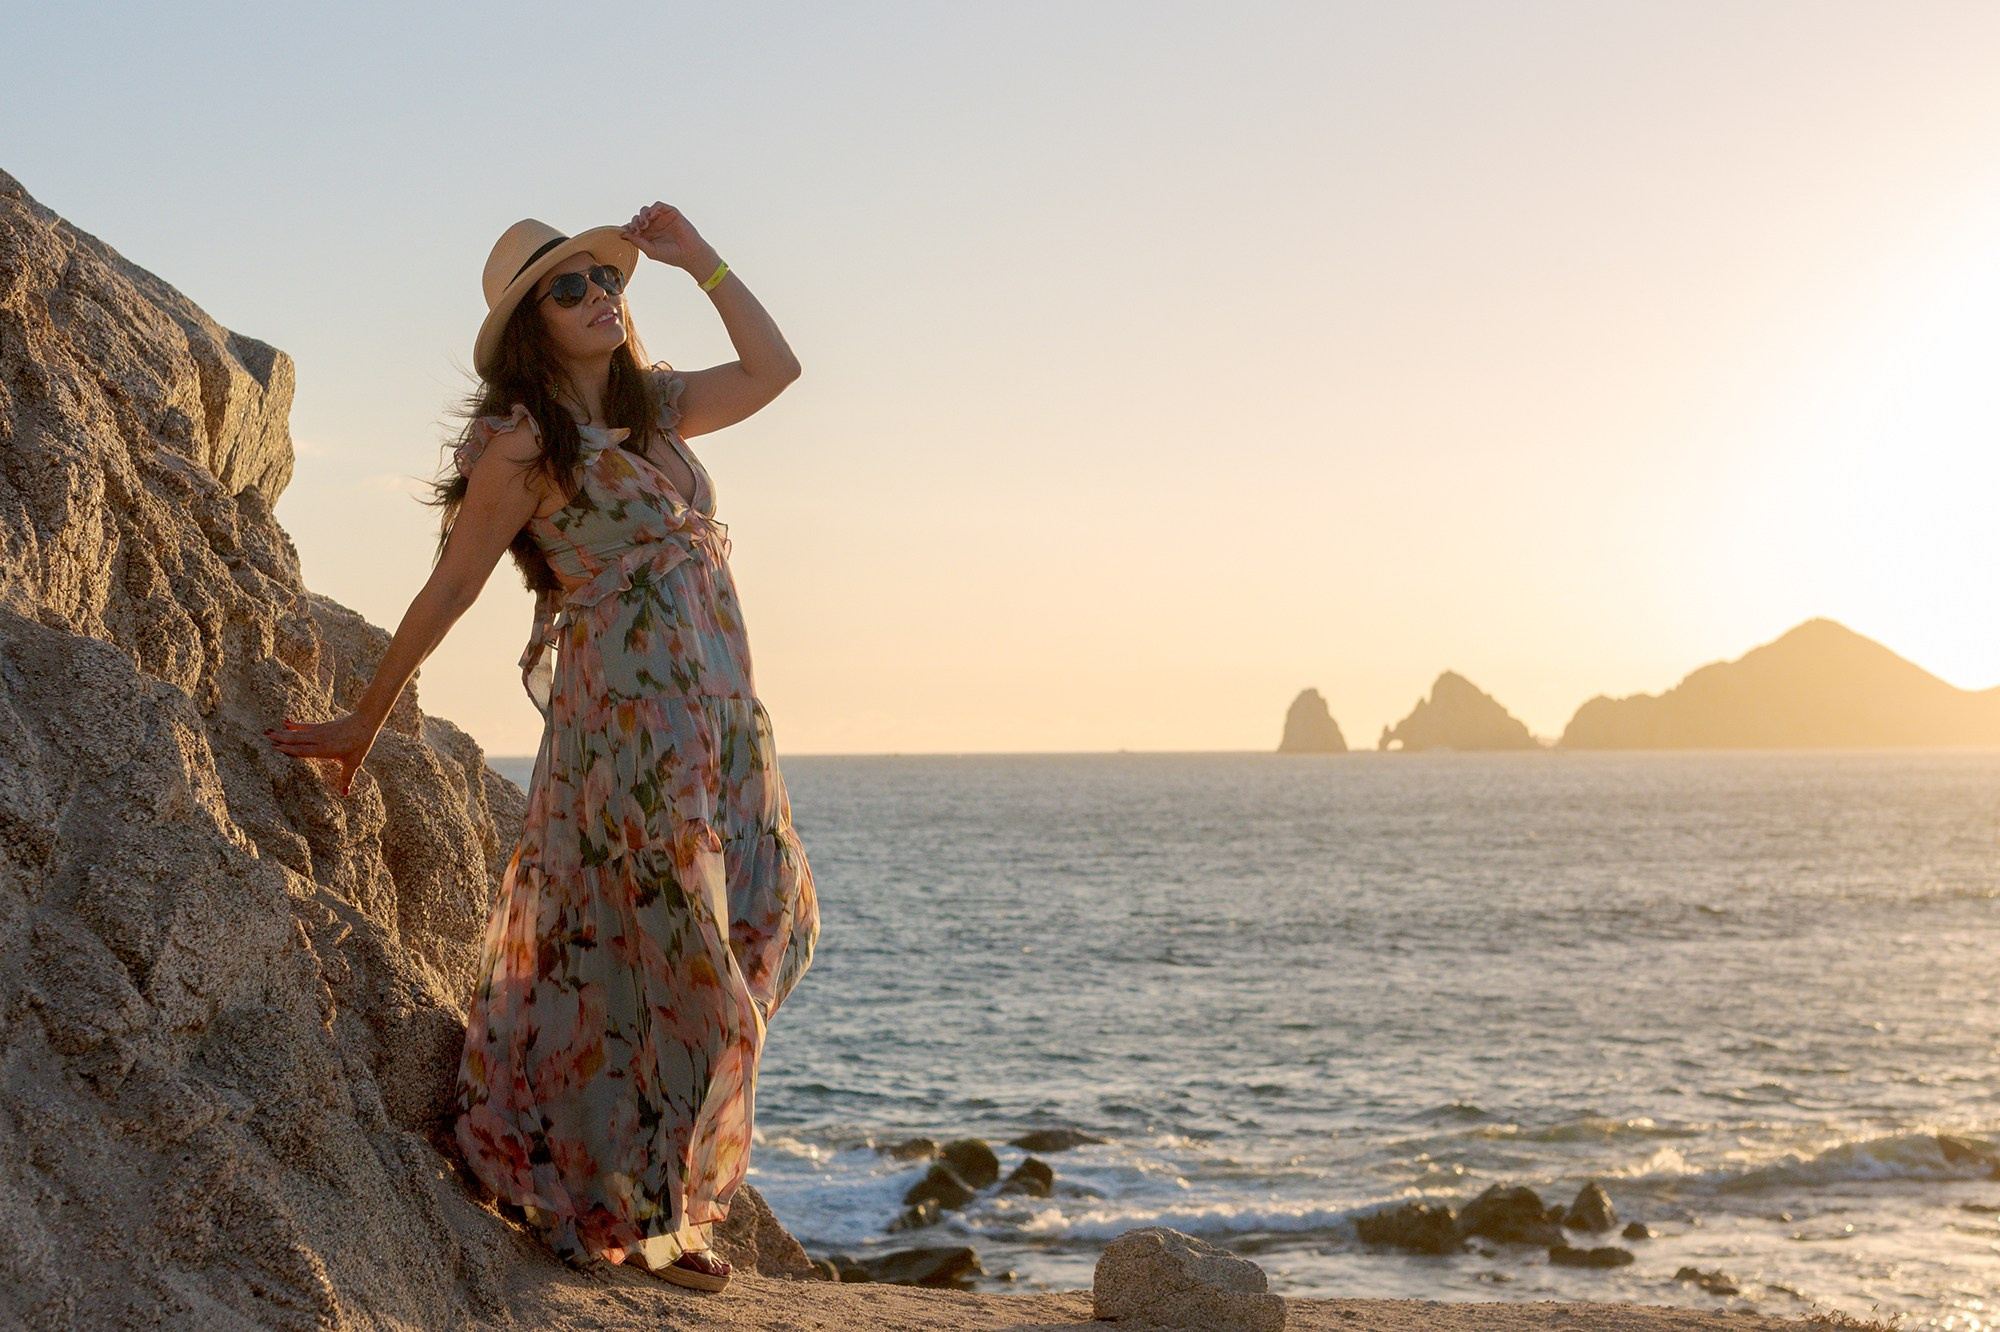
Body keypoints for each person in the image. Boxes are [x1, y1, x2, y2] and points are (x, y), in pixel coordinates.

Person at [264, 202, 820, 1294]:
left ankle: (635, 1185)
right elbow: (453, 585)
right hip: (628, 733)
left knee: (774, 927)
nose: (597, 297)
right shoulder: (521, 446)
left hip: (723, 731)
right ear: (530, 324)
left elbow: (777, 368)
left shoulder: (658, 409)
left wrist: (697, 259)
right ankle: (656, 1218)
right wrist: (366, 718)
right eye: (567, 289)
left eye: (603, 281)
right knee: (688, 972)